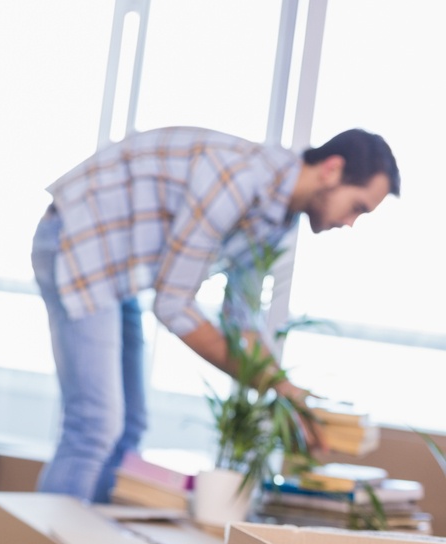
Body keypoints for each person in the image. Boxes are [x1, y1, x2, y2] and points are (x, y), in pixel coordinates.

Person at [32, 126, 400, 504]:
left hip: (119, 270)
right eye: (357, 207)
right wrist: (273, 385)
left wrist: (287, 393)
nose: (351, 222)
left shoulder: (277, 219)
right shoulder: (239, 180)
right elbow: (173, 305)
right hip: (79, 240)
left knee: (130, 427)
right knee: (94, 426)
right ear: (331, 169)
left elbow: (241, 321)